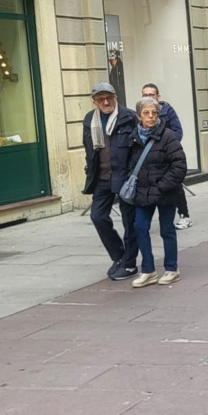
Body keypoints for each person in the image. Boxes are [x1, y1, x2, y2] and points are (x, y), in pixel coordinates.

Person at [126, 97, 188, 288]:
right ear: (139, 116)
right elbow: (129, 164)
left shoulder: (168, 136)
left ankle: (171, 269)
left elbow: (179, 166)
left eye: (154, 112)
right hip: (143, 193)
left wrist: (162, 186)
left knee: (166, 229)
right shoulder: (134, 137)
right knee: (140, 227)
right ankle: (148, 270)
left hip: (165, 192)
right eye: (146, 113)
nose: (151, 117)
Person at [81, 82, 140, 281]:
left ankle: (130, 264)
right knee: (97, 217)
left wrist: (135, 174)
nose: (106, 102)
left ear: (115, 96)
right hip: (102, 177)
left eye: (109, 98)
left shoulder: (130, 117)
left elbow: (138, 149)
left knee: (129, 222)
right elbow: (88, 148)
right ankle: (119, 256)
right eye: (101, 99)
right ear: (95, 102)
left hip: (124, 177)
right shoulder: (90, 119)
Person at [141, 83, 192, 230]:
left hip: (167, 156)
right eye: (145, 95)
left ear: (158, 96)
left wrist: (166, 146)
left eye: (151, 95)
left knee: (175, 186)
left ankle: (184, 215)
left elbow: (178, 131)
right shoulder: (140, 111)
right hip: (150, 158)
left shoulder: (167, 111)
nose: (148, 97)